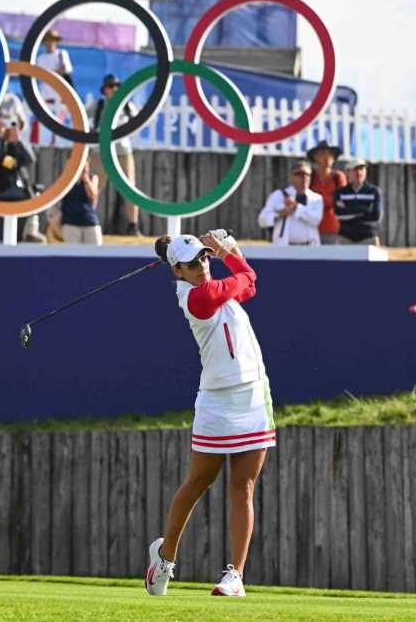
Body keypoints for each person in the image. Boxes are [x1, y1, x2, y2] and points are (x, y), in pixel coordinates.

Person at [146, 231, 274, 598]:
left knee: (243, 487)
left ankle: (236, 576)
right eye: (192, 264)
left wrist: (228, 253)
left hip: (252, 395)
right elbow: (247, 279)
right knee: (197, 483)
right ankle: (165, 559)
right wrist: (230, 252)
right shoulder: (197, 298)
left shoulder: (217, 288)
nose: (202, 267)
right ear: (178, 272)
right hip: (217, 402)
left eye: (204, 259)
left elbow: (247, 286)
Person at [87, 74, 140, 235]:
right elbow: (81, 118)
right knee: (93, 187)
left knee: (130, 189)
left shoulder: (127, 106)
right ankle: (86, 220)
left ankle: (133, 226)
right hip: (100, 151)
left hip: (122, 151)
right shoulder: (98, 105)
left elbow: (138, 121)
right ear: (104, 90)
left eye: (117, 85)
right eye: (111, 86)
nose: (114, 89)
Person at [0, 115, 37, 242]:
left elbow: (30, 159)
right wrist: (0, 138)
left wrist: (18, 141)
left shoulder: (19, 143)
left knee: (19, 237)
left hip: (20, 196)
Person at [257, 161, 322, 246]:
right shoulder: (278, 195)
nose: (304, 177)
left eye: (307, 174)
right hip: (284, 248)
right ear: (291, 176)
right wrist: (279, 214)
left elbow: (316, 220)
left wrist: (296, 207)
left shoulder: (316, 198)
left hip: (310, 248)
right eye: (299, 174)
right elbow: (262, 220)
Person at [32, 30, 73, 146]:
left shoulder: (61, 54)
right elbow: (39, 75)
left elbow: (66, 69)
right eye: (48, 40)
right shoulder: (41, 58)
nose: (50, 43)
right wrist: (53, 74)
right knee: (44, 129)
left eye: (52, 40)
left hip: (61, 98)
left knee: (60, 128)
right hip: (46, 97)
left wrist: (50, 74)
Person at [306, 140, 346, 245]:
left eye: (331, 155)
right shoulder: (310, 177)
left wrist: (318, 201)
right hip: (312, 229)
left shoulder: (338, 177)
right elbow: (304, 200)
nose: (327, 158)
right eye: (323, 154)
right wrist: (330, 200)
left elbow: (343, 201)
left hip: (334, 229)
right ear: (315, 157)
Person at [333, 158, 382, 245]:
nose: (359, 172)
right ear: (348, 172)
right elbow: (338, 214)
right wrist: (364, 210)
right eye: (355, 169)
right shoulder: (340, 192)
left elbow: (376, 217)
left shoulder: (374, 191)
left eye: (362, 169)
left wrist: (348, 209)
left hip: (369, 238)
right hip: (345, 238)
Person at [60, 159, 101, 245]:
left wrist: (85, 178)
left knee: (95, 253)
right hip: (71, 222)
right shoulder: (65, 179)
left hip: (89, 221)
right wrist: (74, 178)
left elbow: (92, 195)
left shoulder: (92, 178)